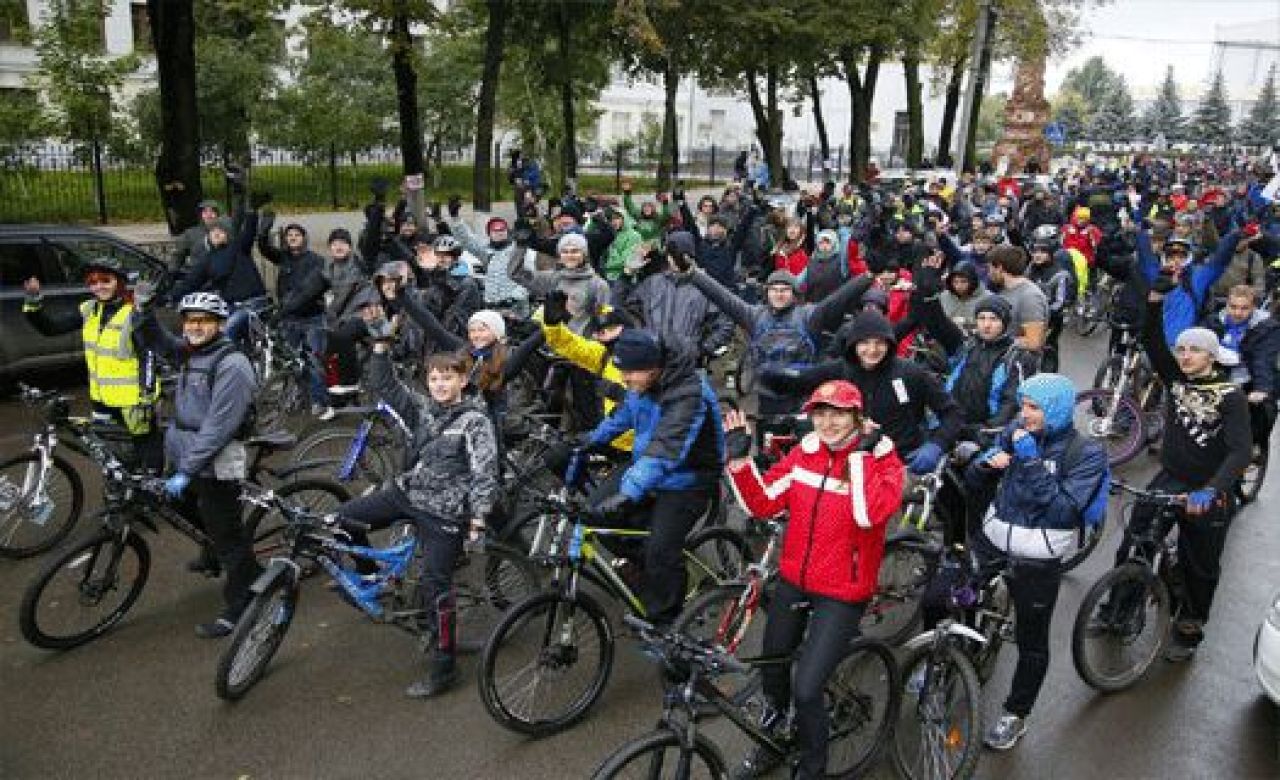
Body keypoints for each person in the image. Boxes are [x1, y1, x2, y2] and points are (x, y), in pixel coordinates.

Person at [723, 380, 904, 778]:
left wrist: (861, 458)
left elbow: (867, 515)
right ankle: (772, 742)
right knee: (772, 669)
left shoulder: (885, 462)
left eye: (838, 413)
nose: (828, 422)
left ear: (859, 417)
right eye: (820, 413)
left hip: (843, 592)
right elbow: (765, 503)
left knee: (806, 689)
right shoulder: (805, 455)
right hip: (795, 579)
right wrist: (740, 463)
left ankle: (813, 766)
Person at [345, 324, 499, 698]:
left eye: (447, 378)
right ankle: (372, 581)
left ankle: (444, 667)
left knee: (436, 589)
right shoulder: (423, 410)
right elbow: (387, 387)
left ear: (463, 380)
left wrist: (478, 517)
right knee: (342, 521)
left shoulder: (475, 422)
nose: (440, 385)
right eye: (434, 378)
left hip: (445, 512)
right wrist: (381, 347)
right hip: (408, 492)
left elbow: (485, 471)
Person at [965, 373, 1109, 751]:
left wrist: (1028, 461)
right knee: (947, 597)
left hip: (1038, 560)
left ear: (1057, 410)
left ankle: (1016, 713)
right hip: (994, 542)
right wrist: (983, 467)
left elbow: (1064, 511)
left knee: (1032, 641)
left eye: (1034, 408)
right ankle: (959, 661)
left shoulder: (1086, 454)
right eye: (1023, 405)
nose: (1023, 415)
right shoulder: (1014, 431)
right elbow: (974, 480)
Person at [1126, 288, 1253, 662]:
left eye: (1194, 350)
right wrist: (1152, 301)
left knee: (1200, 565)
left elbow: (1241, 451)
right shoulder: (1175, 378)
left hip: (1209, 490)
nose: (1184, 356)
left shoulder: (1231, 396)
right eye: (1181, 350)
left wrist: (1212, 490)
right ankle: (1117, 606)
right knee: (1135, 540)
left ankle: (1190, 627)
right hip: (1170, 478)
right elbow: (1151, 340)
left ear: (1211, 356)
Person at [134, 292, 260, 638]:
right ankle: (213, 547)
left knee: (230, 538)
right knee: (183, 506)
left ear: (219, 325)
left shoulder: (232, 364)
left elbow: (219, 427)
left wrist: (187, 470)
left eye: (204, 320)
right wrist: (144, 313)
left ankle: (243, 604)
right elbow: (161, 343)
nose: (195, 326)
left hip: (215, 462)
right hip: (187, 454)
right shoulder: (194, 351)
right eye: (190, 320)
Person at [580, 329, 723, 626]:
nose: (625, 380)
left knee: (661, 549)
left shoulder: (689, 392)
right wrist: (588, 441)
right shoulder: (642, 385)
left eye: (631, 372)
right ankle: (643, 568)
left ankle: (667, 622)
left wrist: (627, 494)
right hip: (646, 468)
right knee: (594, 515)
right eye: (622, 371)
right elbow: (623, 416)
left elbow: (667, 448)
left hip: (688, 478)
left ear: (655, 368)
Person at [22, 257, 161, 469]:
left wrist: (147, 397)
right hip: (101, 398)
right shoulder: (89, 309)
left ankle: (154, 494)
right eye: (93, 282)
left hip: (133, 400)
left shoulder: (135, 312)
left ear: (119, 282)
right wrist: (33, 301)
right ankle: (122, 496)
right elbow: (51, 328)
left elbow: (149, 354)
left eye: (105, 280)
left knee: (146, 451)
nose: (99, 287)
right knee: (110, 456)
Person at [256, 218, 333, 419]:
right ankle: (299, 396)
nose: (292, 238)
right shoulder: (284, 258)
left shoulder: (316, 261)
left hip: (311, 318)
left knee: (313, 361)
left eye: (296, 235)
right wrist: (263, 232)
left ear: (304, 238)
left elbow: (308, 291)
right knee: (293, 361)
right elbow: (265, 249)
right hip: (288, 319)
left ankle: (319, 401)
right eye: (289, 236)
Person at [1202, 285, 1280, 463]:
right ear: (1226, 305)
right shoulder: (1213, 322)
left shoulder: (1267, 328)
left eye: (1244, 308)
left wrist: (1262, 389)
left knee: (1264, 410)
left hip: (1249, 379)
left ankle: (1254, 445)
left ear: (1254, 308)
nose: (1237, 313)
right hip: (1219, 376)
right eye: (1233, 307)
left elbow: (1263, 360)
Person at [987, 244, 1049, 352]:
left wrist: (997, 341)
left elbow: (1034, 342)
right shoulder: (1002, 289)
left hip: (1017, 363)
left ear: (1000, 268)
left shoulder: (1030, 297)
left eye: (990, 268)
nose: (989, 273)